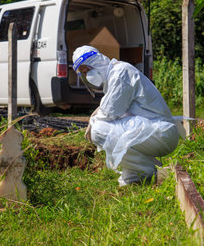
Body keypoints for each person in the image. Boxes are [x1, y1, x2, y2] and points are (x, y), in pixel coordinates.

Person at [72, 45, 179, 186]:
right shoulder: (115, 76)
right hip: (157, 131)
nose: (87, 75)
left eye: (87, 69)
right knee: (105, 127)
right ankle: (133, 177)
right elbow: (111, 108)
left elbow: (109, 112)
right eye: (84, 73)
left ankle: (143, 174)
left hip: (161, 132)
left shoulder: (121, 73)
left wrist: (93, 121)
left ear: (96, 62)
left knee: (99, 129)